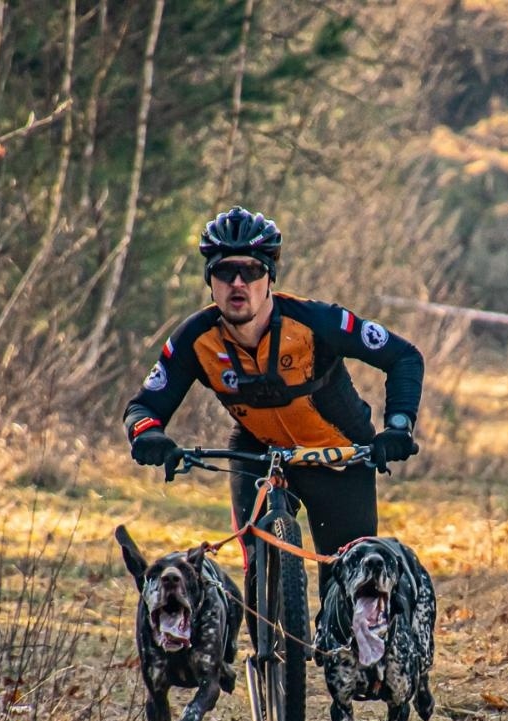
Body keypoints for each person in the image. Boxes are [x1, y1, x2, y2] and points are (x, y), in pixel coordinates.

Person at [123, 206, 424, 635]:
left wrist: (398, 426)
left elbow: (403, 356)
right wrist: (149, 435)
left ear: (270, 277)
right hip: (257, 451)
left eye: (251, 270)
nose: (238, 283)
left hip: (337, 453)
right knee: (255, 551)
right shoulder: (195, 338)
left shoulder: (316, 322)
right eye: (225, 272)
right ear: (210, 280)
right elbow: (144, 406)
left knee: (350, 580)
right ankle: (270, 649)